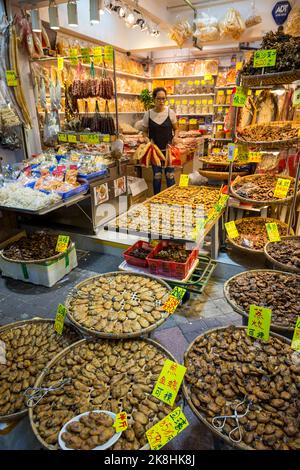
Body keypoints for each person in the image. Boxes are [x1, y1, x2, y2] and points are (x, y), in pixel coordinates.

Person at [142, 87, 178, 195]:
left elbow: (176, 129)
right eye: (158, 99)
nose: (161, 101)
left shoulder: (170, 113)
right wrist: (146, 139)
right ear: (154, 99)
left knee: (170, 176)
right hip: (155, 151)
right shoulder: (148, 114)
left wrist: (175, 137)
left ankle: (170, 199)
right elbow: (144, 131)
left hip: (168, 150)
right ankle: (156, 199)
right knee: (157, 176)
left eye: (163, 98)